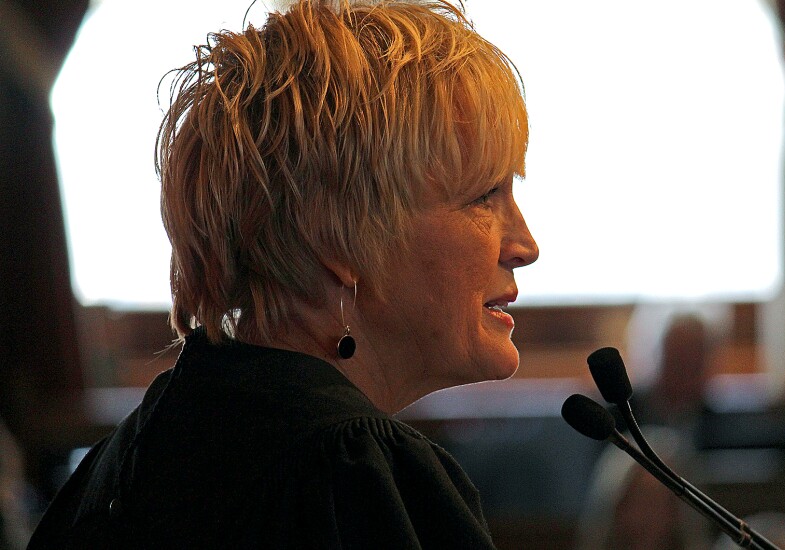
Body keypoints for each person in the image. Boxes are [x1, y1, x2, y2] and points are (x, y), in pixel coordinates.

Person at [27, 0, 538, 547]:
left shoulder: (125, 460)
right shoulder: (349, 477)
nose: (525, 246)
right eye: (484, 196)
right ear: (338, 236)